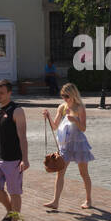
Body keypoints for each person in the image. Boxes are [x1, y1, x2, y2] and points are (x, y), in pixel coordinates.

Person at [0, 79, 29, 221]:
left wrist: (25, 159)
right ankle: (10, 211)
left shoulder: (17, 111)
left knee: (14, 192)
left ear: (9, 93)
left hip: (13, 159)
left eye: (2, 93)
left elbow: (22, 136)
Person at [43, 82, 94, 211]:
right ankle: (55, 202)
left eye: (66, 96)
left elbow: (83, 129)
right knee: (60, 172)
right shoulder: (62, 108)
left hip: (78, 144)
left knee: (83, 173)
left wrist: (76, 120)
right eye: (62, 96)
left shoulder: (80, 107)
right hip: (65, 145)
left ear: (73, 95)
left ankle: (88, 199)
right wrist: (48, 117)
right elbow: (55, 126)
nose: (64, 99)